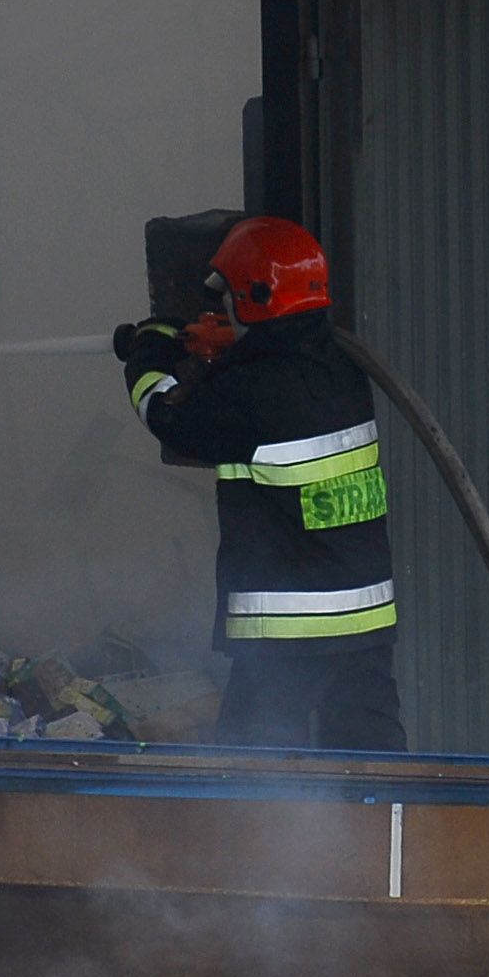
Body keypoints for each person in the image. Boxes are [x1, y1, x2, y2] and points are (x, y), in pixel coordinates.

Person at [114, 215, 408, 751]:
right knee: (374, 771)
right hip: (362, 623)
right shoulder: (341, 370)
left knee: (254, 778)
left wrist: (149, 351)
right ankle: (393, 835)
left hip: (290, 631)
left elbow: (168, 416)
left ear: (255, 297)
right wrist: (231, 346)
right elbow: (278, 361)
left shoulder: (251, 393)